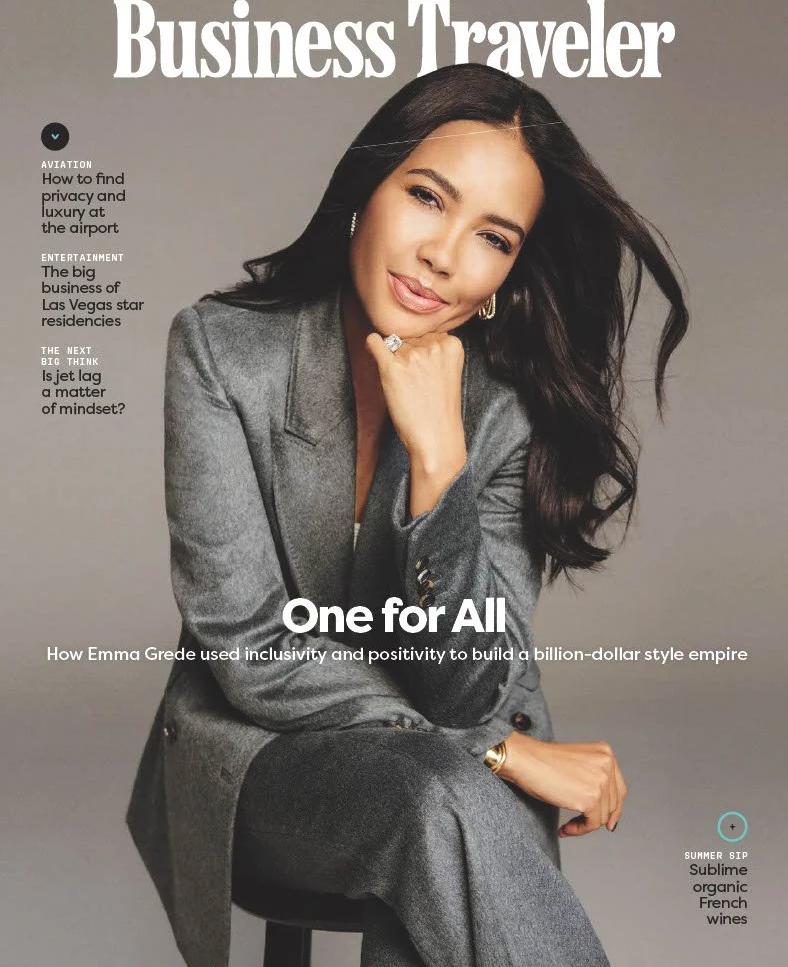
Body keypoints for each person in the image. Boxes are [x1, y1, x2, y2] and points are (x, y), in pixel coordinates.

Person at [126, 63, 688, 967]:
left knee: (434, 805)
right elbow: (249, 646)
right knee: (442, 795)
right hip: (268, 757)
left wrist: (439, 466)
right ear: (365, 189)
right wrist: (496, 751)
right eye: (428, 197)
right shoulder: (222, 353)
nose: (443, 256)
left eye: (492, 237)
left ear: (507, 271)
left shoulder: (507, 410)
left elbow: (469, 684)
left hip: (436, 777)